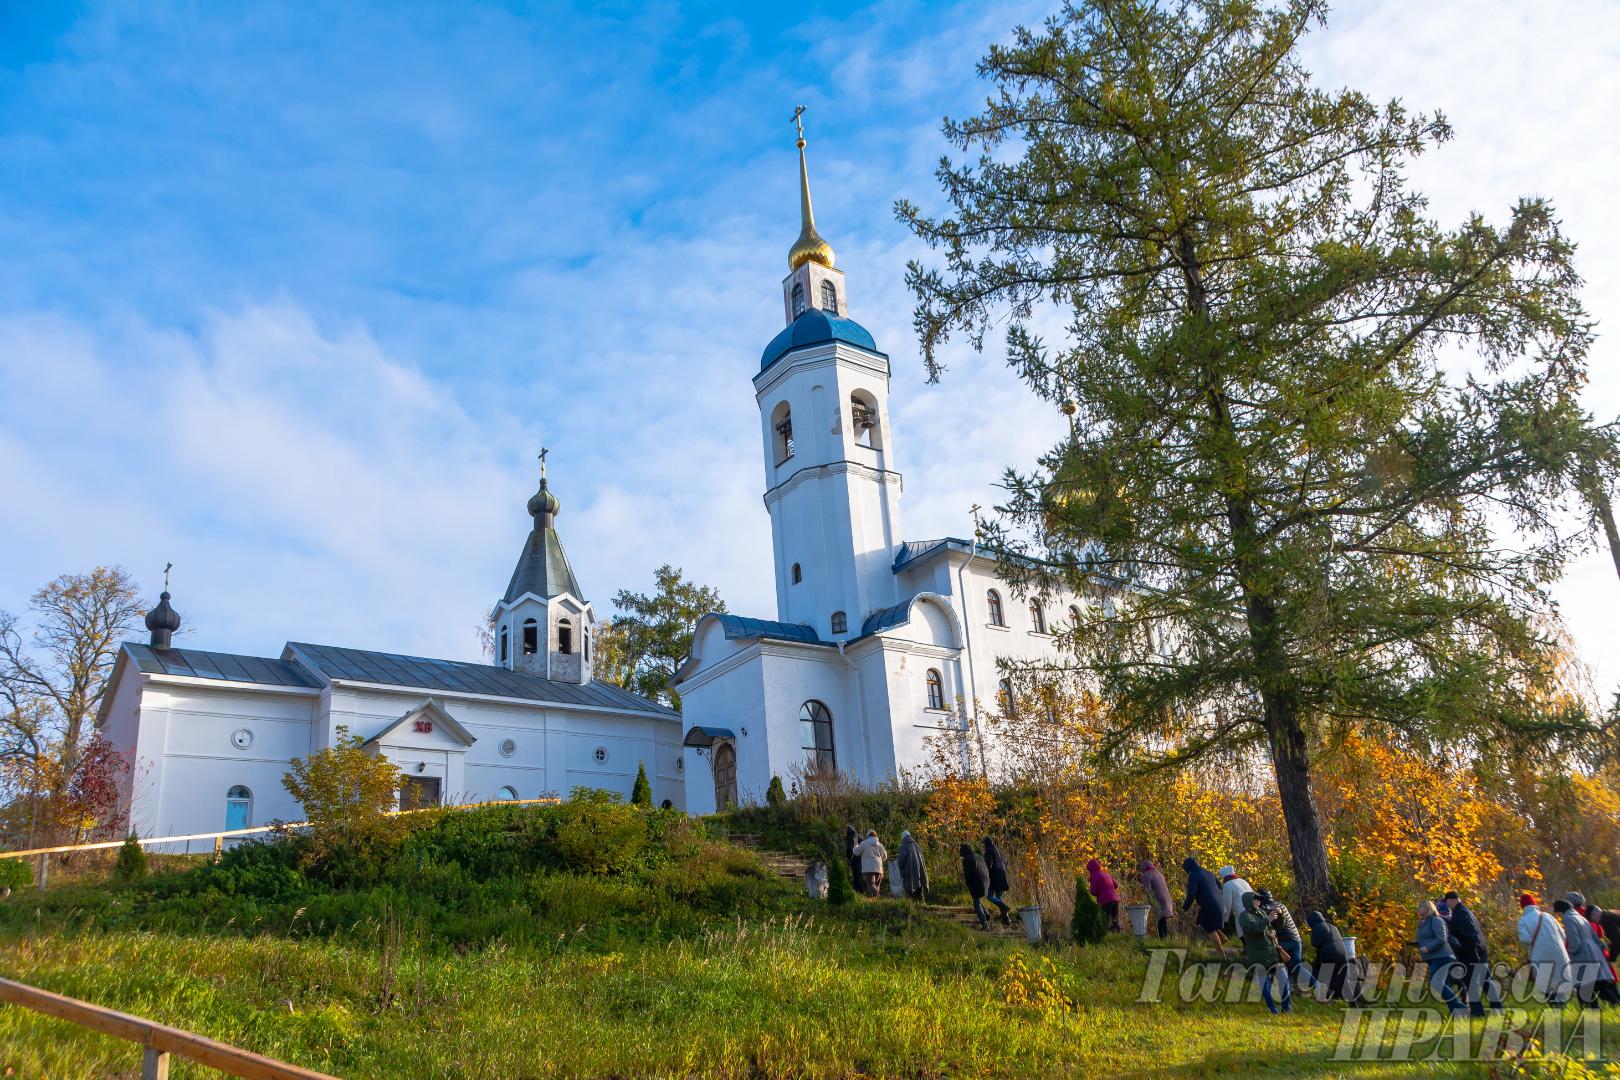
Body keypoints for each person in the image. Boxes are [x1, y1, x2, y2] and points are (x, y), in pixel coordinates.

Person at [1442, 891, 1503, 1015]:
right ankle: (1497, 1008)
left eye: (1447, 902)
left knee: (1471, 984)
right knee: (1486, 981)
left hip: (1472, 954)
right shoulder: (1465, 911)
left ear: (1452, 900)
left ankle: (1477, 1011)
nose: (1447, 905)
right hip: (1479, 951)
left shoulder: (1460, 913)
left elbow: (1469, 934)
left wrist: (1471, 953)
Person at [1556, 898, 1619, 1007]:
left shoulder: (1568, 919)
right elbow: (1595, 938)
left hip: (1582, 955)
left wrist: (1571, 953)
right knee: (1599, 985)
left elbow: (1574, 941)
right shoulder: (1581, 917)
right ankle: (1616, 1003)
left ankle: (1591, 1010)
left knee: (1584, 986)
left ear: (1561, 911)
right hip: (1594, 953)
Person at [1237, 892, 1290, 1014]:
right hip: (1258, 955)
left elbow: (1278, 925)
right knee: (1264, 983)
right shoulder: (1244, 916)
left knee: (1283, 978)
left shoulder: (1261, 912)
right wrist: (1268, 919)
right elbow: (1252, 929)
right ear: (1249, 901)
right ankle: (1272, 1009)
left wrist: (1279, 915)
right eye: (1256, 900)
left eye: (1259, 900)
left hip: (1272, 953)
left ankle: (1286, 1008)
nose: (1259, 902)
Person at [1517, 893, 1572, 1006]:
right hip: (1559, 952)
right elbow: (1563, 935)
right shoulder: (1548, 916)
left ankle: (1555, 1007)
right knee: (1560, 979)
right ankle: (1562, 1006)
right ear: (1535, 904)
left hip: (1540, 954)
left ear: (1523, 907)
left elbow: (1525, 940)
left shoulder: (1522, 921)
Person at [1256, 888, 1315, 991]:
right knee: (1296, 966)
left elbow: (1267, 925)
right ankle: (1317, 985)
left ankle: (1277, 987)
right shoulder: (1280, 904)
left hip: (1285, 940)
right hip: (1296, 939)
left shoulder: (1267, 908)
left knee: (1273, 962)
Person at [1415, 900, 1467, 1015]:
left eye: (1420, 906)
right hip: (1432, 957)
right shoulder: (1422, 923)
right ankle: (1456, 1010)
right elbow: (1425, 938)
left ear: (1428, 908)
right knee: (1442, 984)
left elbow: (1441, 938)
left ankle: (1460, 1007)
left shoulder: (1436, 920)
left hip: (1443, 956)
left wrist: (1428, 948)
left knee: (1436, 982)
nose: (1418, 908)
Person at [1306, 910, 1361, 1003]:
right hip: (1343, 954)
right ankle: (1351, 1000)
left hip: (1329, 955)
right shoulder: (1332, 926)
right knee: (1342, 977)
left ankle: (1324, 997)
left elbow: (1314, 943)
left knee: (1320, 974)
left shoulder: (1317, 928)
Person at [1182, 857, 1228, 954]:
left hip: (1209, 904)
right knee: (1202, 920)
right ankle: (1223, 937)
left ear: (1188, 868)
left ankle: (1222, 956)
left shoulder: (1194, 876)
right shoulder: (1209, 873)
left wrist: (1185, 908)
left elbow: (1191, 894)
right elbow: (1220, 886)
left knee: (1210, 929)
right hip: (1220, 901)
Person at [960, 843, 994, 930]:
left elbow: (968, 874)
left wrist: (968, 883)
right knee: (978, 899)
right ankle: (986, 913)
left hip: (977, 882)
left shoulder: (967, 859)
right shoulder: (978, 856)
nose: (960, 851)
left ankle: (984, 924)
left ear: (964, 850)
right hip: (986, 881)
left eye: (961, 850)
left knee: (976, 903)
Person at [980, 837, 1013, 925]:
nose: (983, 846)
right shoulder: (999, 852)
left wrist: (984, 873)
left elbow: (989, 865)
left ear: (986, 844)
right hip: (1003, 877)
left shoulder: (988, 852)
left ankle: (1004, 907)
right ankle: (1006, 919)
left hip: (995, 878)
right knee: (998, 898)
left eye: (984, 844)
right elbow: (1006, 864)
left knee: (989, 896)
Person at [1139, 860, 1174, 939]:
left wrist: (1151, 903)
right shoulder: (1159, 873)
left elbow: (1148, 890)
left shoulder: (1147, 875)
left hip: (1158, 899)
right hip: (1167, 899)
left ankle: (1163, 940)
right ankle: (1166, 939)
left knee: (1160, 921)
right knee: (1163, 920)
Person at [1218, 865, 1253, 938]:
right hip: (1252, 910)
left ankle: (1246, 948)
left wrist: (1224, 918)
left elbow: (1227, 904)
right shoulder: (1243, 881)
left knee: (1242, 933)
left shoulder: (1227, 885)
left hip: (1241, 913)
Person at [1087, 858, 1121, 932]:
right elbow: (1116, 885)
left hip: (1105, 901)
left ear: (1090, 869)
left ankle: (1106, 937)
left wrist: (1091, 884)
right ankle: (1119, 937)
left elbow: (1093, 891)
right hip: (1115, 899)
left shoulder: (1094, 876)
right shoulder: (1106, 873)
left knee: (1105, 921)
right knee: (1115, 921)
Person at [852, 829, 888, 897]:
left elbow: (856, 852)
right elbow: (885, 856)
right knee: (877, 886)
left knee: (870, 885)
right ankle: (877, 904)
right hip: (879, 869)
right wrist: (879, 860)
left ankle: (879, 897)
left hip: (868, 869)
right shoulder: (880, 845)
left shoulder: (864, 843)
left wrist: (855, 843)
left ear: (868, 836)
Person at [897, 830, 929, 901]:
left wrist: (900, 867)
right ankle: (922, 902)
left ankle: (913, 904)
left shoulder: (904, 845)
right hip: (920, 869)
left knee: (911, 886)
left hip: (909, 870)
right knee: (919, 884)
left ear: (903, 837)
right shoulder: (916, 845)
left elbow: (902, 859)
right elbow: (922, 859)